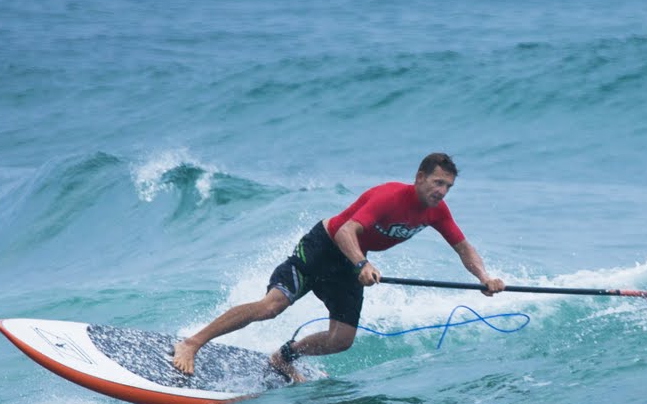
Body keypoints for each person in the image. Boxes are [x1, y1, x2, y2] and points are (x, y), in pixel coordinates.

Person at [171, 152, 504, 382]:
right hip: (323, 247)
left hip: (350, 262)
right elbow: (346, 231)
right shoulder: (390, 196)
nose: (442, 192)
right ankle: (193, 343)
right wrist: (362, 262)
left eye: (448, 187)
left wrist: (484, 277)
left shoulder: (437, 212)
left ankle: (283, 357)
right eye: (438, 183)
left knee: (341, 339)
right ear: (419, 177)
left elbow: (464, 247)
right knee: (271, 306)